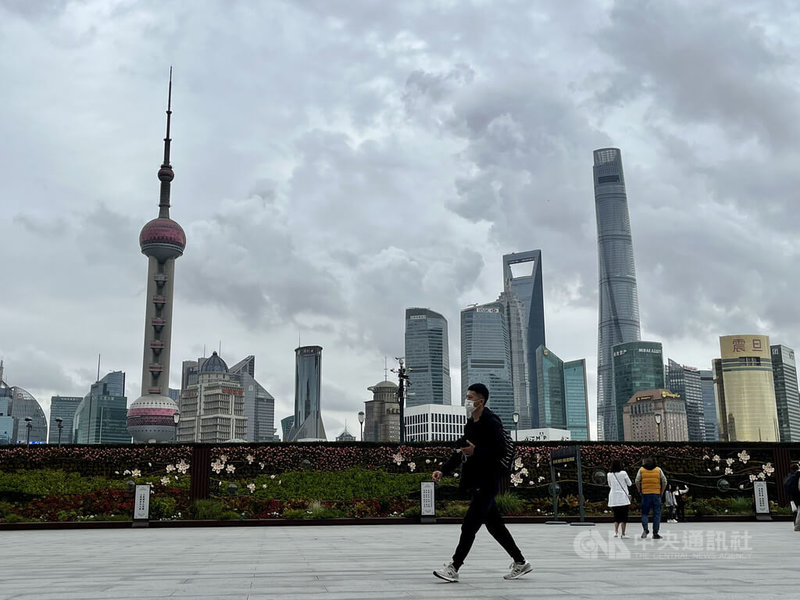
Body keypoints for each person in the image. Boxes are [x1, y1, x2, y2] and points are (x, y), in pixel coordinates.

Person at [431, 383, 532, 582]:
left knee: (469, 526)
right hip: (477, 480)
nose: (467, 401)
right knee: (495, 526)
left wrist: (477, 451)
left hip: (488, 482)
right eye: (466, 397)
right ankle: (520, 562)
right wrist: (442, 470)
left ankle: (454, 567)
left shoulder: (491, 422)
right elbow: (461, 450)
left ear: (481, 400)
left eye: (470, 397)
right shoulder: (471, 424)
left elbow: (501, 450)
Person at [635, 456, 667, 539]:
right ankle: (655, 533)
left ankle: (645, 529)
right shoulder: (658, 469)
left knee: (645, 513)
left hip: (645, 494)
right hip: (656, 495)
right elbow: (664, 481)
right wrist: (661, 492)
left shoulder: (641, 470)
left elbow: (637, 481)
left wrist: (639, 491)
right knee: (657, 514)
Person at [607, 460, 632, 538]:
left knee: (616, 515)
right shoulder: (623, 473)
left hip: (613, 497)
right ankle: (623, 534)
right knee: (624, 516)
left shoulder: (609, 474)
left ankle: (616, 532)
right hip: (623, 498)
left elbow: (610, 485)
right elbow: (630, 483)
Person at [782, 463, 800, 532]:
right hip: (798, 495)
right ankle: (797, 527)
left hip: (792, 497)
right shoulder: (798, 475)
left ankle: (796, 524)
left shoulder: (789, 476)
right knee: (799, 510)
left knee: (795, 511)